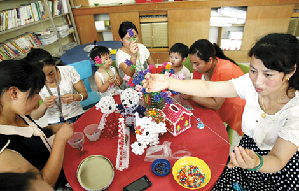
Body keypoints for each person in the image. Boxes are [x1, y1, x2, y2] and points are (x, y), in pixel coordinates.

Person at [143, 33, 299, 190]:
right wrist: (170, 82)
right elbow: (208, 87)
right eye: (253, 70)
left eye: (268, 74)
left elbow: (278, 159)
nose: (257, 81)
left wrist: (257, 163)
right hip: (247, 152)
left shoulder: (295, 110)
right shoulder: (249, 83)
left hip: (275, 169)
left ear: (290, 72)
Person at [0, 60, 74, 189]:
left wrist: (49, 129)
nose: (39, 97)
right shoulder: (3, 152)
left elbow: (29, 136)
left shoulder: (17, 112)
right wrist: (60, 140)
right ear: (14, 93)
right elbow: (43, 184)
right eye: (35, 92)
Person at [183, 39, 245, 136]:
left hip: (233, 109)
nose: (194, 67)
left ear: (210, 60)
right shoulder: (199, 69)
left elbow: (216, 104)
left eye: (197, 63)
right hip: (214, 103)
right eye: (192, 63)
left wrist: (192, 96)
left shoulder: (224, 71)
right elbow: (196, 87)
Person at [24, 48, 88, 125]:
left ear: (54, 64)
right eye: (42, 77)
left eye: (51, 73)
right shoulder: (33, 83)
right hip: (55, 122)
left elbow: (84, 94)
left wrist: (75, 97)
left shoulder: (68, 71)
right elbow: (34, 116)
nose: (48, 79)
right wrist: (44, 105)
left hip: (76, 114)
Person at [115, 21, 155, 89]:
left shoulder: (142, 47)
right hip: (130, 88)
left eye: (135, 37)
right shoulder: (120, 55)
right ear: (121, 39)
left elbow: (152, 64)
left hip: (146, 82)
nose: (133, 41)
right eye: (128, 38)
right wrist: (133, 56)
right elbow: (129, 74)